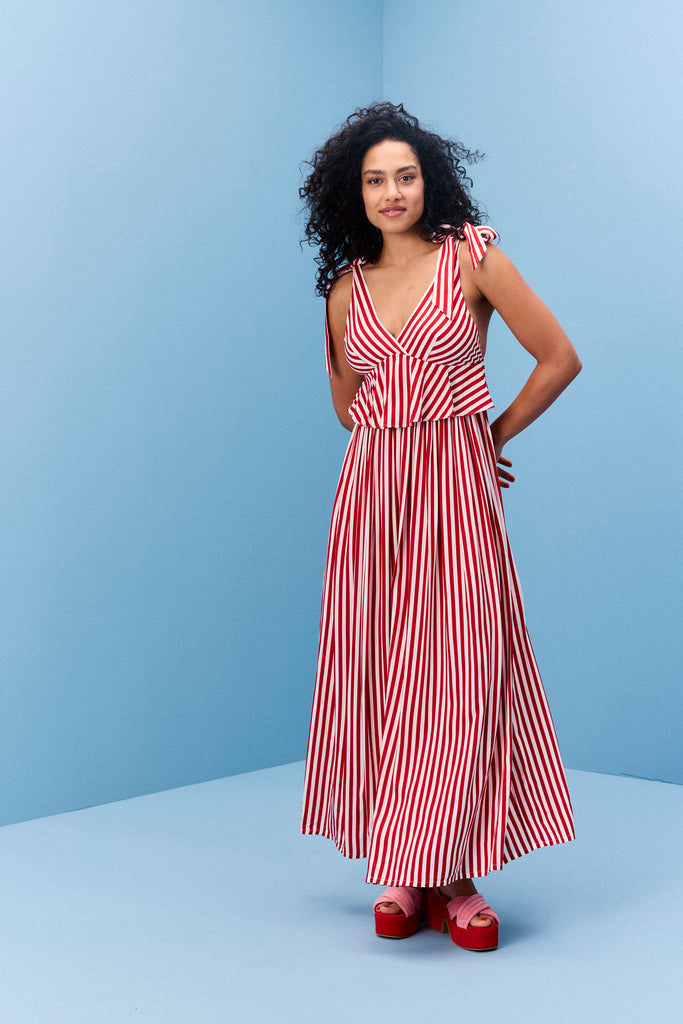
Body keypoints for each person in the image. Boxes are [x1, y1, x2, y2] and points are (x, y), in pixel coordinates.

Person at [299, 102, 581, 952]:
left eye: (405, 176)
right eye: (374, 180)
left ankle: (454, 875)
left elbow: (558, 357)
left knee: (457, 674)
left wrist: (486, 436)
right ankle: (401, 865)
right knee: (381, 673)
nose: (391, 193)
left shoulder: (472, 258)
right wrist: (398, 434)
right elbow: (347, 406)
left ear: (430, 182)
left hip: (456, 492)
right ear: (354, 194)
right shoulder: (344, 289)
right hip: (370, 498)